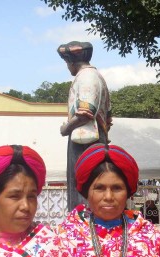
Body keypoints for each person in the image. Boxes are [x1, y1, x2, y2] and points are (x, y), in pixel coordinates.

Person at [57, 41, 112, 212]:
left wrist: (66, 128)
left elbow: (86, 111)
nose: (68, 67)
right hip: (95, 138)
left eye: (67, 63)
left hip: (85, 140)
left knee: (82, 181)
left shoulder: (87, 76)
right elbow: (108, 117)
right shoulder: (96, 76)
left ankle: (82, 220)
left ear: (72, 62)